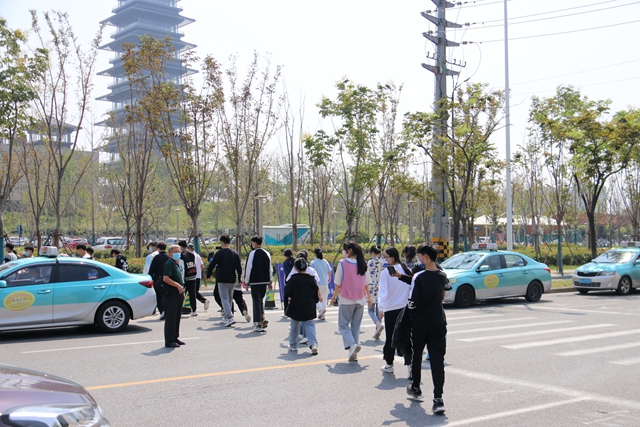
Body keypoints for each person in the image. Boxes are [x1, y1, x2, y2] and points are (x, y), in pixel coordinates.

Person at [406, 243, 449, 414]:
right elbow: (443, 296)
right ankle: (438, 399)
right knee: (437, 360)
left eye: (419, 256)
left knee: (417, 355)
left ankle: (416, 387)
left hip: (420, 323)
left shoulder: (419, 276)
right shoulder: (442, 275)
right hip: (438, 322)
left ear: (425, 257)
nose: (419, 259)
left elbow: (412, 302)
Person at [330, 241, 371, 362]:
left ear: (350, 250)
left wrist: (333, 296)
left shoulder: (342, 263)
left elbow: (338, 282)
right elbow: (366, 283)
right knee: (355, 327)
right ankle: (353, 353)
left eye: (345, 249)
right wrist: (369, 298)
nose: (344, 251)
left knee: (343, 325)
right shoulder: (363, 263)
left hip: (346, 299)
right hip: (360, 299)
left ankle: (353, 345)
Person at [378, 247, 412, 374]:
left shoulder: (385, 273)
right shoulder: (405, 269)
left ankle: (389, 363)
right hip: (405, 308)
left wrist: (381, 308)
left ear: (391, 259)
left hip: (391, 309)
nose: (383, 259)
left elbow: (383, 292)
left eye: (385, 257)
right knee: (406, 337)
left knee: (391, 337)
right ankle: (410, 365)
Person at [285, 258, 321, 355]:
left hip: (296, 305)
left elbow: (287, 292)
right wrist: (315, 301)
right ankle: (313, 344)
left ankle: (293, 345)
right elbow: (316, 293)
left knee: (295, 325)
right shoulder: (311, 279)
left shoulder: (293, 278)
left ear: (296, 268)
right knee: (309, 324)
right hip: (309, 305)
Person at [206, 235, 242, 327]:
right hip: (232, 279)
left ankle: (229, 317)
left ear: (222, 242)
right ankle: (226, 316)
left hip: (222, 279)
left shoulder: (219, 253)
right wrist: (240, 279)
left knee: (224, 298)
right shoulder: (235, 253)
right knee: (229, 298)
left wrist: (208, 275)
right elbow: (239, 267)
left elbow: (212, 264)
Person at [244, 235, 273, 333]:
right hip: (265, 281)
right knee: (260, 300)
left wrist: (246, 281)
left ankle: (258, 322)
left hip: (255, 281)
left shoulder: (252, 254)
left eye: (253, 242)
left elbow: (248, 268)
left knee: (256, 301)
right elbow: (270, 268)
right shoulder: (267, 253)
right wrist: (270, 281)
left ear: (255, 243)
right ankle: (262, 316)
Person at [162, 244, 186, 348]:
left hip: (178, 293)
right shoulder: (169, 263)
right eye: (175, 252)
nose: (178, 254)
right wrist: (178, 286)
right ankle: (169, 340)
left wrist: (182, 291)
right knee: (171, 318)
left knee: (177, 317)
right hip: (171, 294)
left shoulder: (176, 263)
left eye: (178, 252)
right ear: (170, 253)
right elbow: (166, 278)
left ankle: (175, 337)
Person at [367, 245, 385, 339]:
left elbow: (366, 275)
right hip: (380, 287)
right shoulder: (383, 262)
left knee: (370, 310)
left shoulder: (370, 262)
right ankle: (377, 329)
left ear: (373, 253)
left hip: (371, 287)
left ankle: (377, 324)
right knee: (379, 310)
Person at [149, 242, 169, 320]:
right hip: (169, 279)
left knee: (159, 297)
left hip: (158, 280)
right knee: (167, 296)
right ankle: (167, 310)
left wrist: (151, 278)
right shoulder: (169, 256)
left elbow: (151, 270)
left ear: (158, 248)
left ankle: (162, 311)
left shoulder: (156, 257)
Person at [310, 248, 332, 320]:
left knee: (315, 298)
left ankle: (320, 310)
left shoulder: (313, 262)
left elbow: (310, 272)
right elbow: (329, 272)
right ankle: (322, 315)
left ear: (315, 254)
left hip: (316, 283)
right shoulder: (325, 261)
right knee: (324, 299)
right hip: (325, 283)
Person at [178, 240, 198, 316]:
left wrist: (181, 277)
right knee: (192, 294)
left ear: (181, 246)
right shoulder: (191, 253)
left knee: (181, 293)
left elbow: (182, 267)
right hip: (192, 275)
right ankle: (194, 310)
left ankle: (179, 309)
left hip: (185, 276)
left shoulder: (182, 255)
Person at [188, 243, 210, 312]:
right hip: (198, 276)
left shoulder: (190, 256)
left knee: (193, 292)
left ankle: (203, 300)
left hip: (192, 276)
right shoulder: (197, 255)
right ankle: (204, 301)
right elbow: (202, 266)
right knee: (194, 292)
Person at [281, 249, 295, 315]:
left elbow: (287, 272)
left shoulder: (285, 262)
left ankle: (286, 311)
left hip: (288, 280)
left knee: (286, 296)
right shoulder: (295, 260)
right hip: (296, 280)